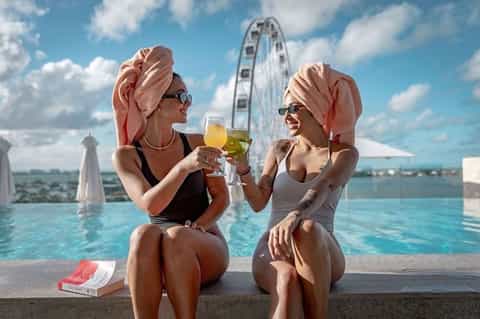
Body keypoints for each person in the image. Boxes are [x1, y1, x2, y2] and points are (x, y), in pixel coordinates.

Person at [226, 63, 362, 318]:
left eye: (293, 108)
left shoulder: (344, 154)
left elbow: (323, 187)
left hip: (321, 248)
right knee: (286, 279)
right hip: (274, 246)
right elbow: (257, 203)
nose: (286, 115)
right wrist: (243, 169)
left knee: (307, 228)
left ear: (317, 106)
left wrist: (295, 216)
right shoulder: (279, 149)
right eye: (283, 109)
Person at [112, 46, 229, 319]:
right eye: (181, 96)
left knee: (177, 237)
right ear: (154, 100)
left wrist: (198, 226)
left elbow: (223, 198)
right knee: (143, 234)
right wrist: (184, 166)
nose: (188, 102)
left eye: (188, 96)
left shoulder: (199, 142)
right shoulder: (127, 155)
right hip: (160, 256)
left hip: (204, 243)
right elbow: (151, 206)